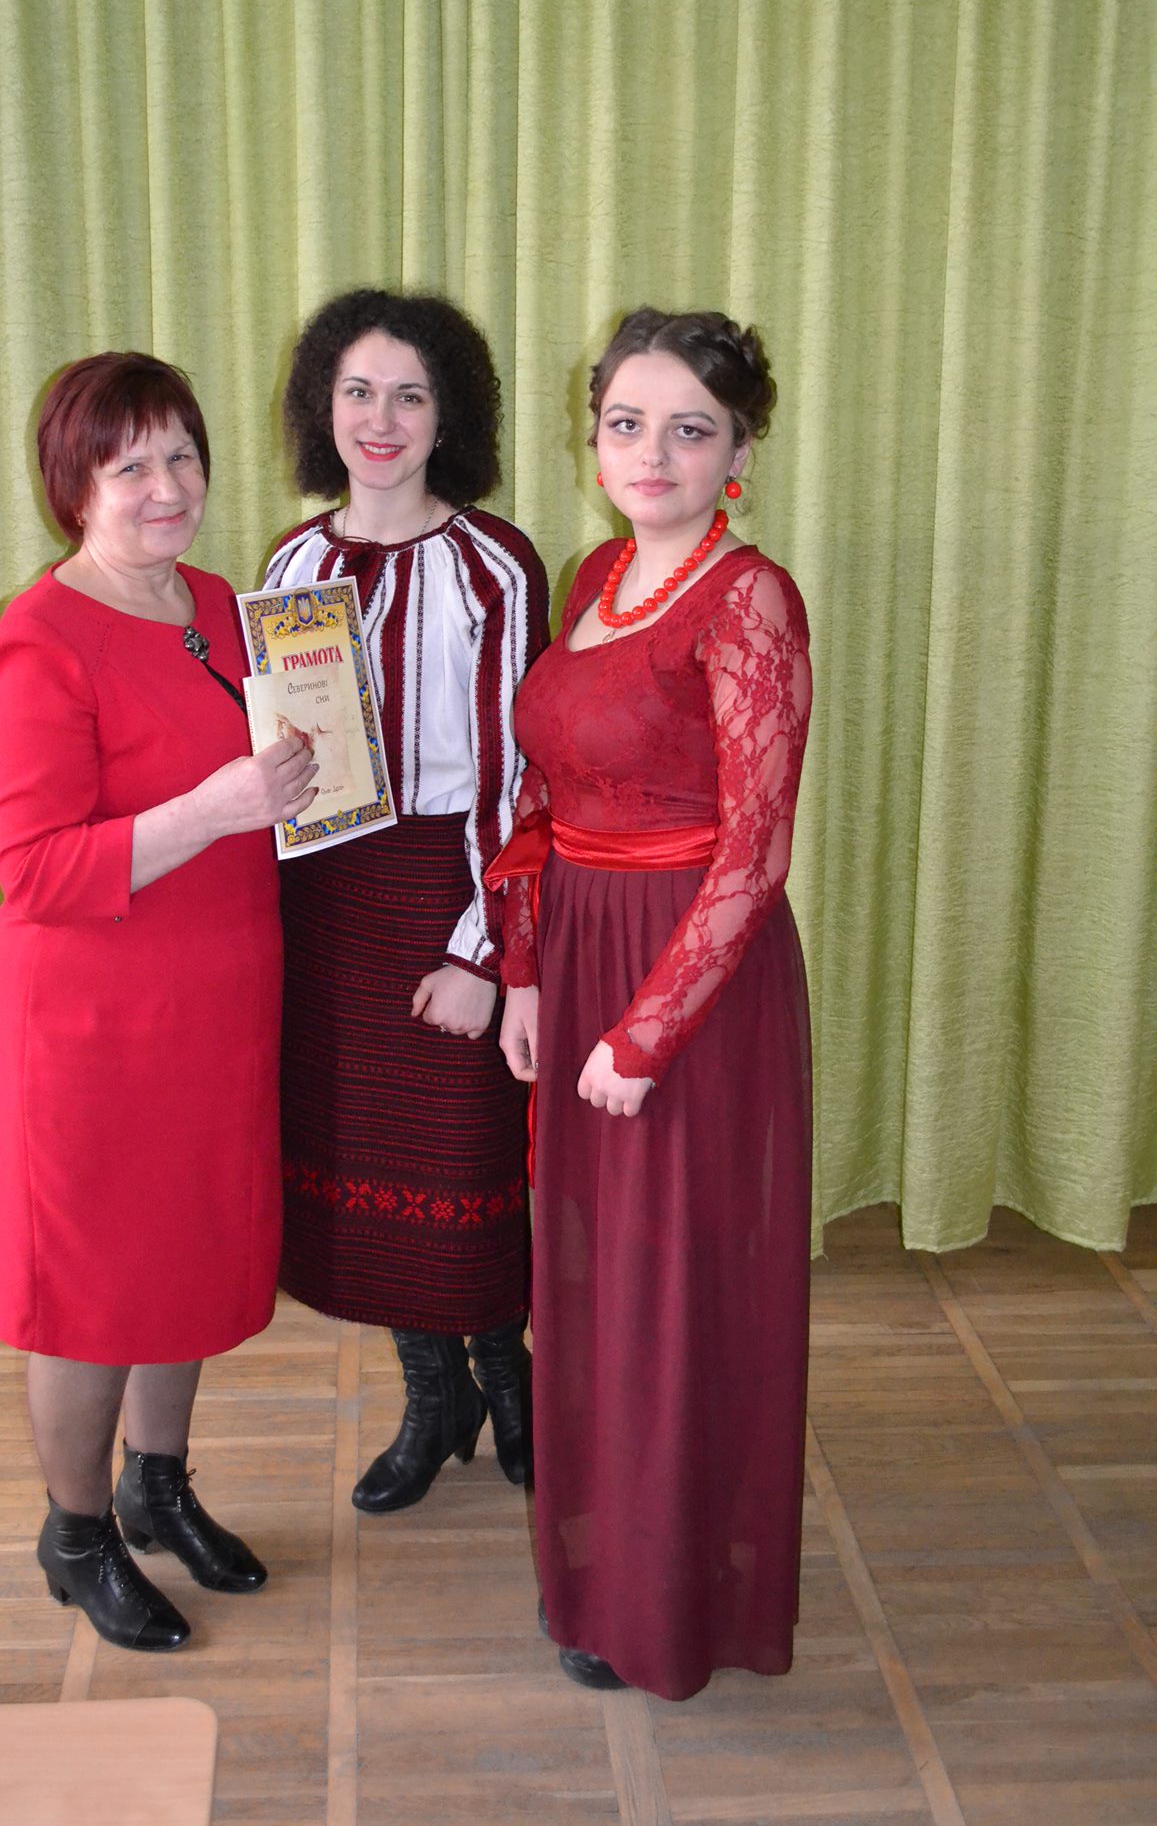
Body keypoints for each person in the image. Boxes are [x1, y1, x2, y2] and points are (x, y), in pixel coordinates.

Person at [492, 308, 813, 1699]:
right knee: (597, 1285)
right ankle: (604, 1568)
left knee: (675, 1291)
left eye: (691, 429)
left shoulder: (750, 600)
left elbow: (754, 849)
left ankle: (671, 1599)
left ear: (738, 453)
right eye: (627, 422)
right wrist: (522, 967)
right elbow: (546, 792)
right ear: (594, 437)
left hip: (692, 982)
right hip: (579, 955)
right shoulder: (598, 573)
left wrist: (645, 1029)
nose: (653, 453)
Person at [0, 352, 316, 1650]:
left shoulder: (222, 604)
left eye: (182, 455)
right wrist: (217, 807)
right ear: (74, 486)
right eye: (131, 466)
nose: (167, 485)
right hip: (90, 1022)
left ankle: (156, 1484)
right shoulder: (37, 640)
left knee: (187, 1250)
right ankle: (75, 1535)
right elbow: (36, 870)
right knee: (91, 1289)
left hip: (216, 1000)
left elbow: (279, 773)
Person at [265, 289, 549, 1512]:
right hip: (330, 904)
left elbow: (520, 776)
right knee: (370, 1170)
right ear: (322, 406)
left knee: (465, 1165)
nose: (380, 419)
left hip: (452, 890)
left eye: (410, 395)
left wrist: (484, 952)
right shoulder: (292, 563)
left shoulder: (495, 565)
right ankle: (433, 1398)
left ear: (450, 417)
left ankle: (510, 1380)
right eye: (358, 391)